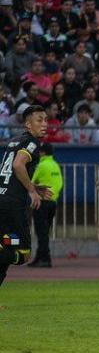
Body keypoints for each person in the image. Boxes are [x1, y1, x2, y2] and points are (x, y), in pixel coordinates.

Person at [0, 105, 50, 287]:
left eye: (46, 120)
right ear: (28, 125)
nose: (45, 124)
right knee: (23, 254)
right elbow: (18, 165)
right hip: (13, 206)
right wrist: (31, 191)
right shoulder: (31, 143)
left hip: (2, 199)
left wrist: (33, 186)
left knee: (7, 249)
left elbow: (9, 173)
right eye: (39, 120)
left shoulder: (14, 141)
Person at [28, 143, 62, 268]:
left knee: (41, 232)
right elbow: (59, 184)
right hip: (53, 202)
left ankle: (45, 259)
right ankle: (39, 257)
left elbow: (30, 182)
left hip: (41, 202)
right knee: (45, 232)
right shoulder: (55, 165)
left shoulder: (41, 165)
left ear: (42, 152)